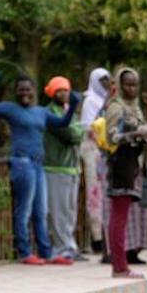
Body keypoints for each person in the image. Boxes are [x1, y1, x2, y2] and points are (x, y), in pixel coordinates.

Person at [0, 71, 80, 265]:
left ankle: (46, 252)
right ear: (16, 92)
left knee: (41, 211)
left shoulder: (41, 112)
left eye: (28, 89)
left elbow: (62, 123)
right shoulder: (11, 109)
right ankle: (24, 252)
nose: (24, 93)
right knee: (24, 209)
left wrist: (73, 105)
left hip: (38, 164)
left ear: (34, 91)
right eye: (21, 90)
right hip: (22, 162)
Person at [104, 68, 147, 278]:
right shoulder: (116, 107)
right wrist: (135, 134)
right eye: (128, 84)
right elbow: (111, 137)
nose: (132, 88)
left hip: (134, 164)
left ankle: (121, 264)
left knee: (124, 217)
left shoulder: (135, 107)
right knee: (118, 217)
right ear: (120, 85)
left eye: (135, 84)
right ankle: (119, 266)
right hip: (121, 163)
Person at [43, 76, 86, 262]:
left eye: (66, 90)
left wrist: (78, 131)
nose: (63, 93)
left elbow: (79, 132)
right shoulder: (49, 112)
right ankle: (61, 247)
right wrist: (78, 131)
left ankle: (70, 245)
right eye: (58, 90)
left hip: (72, 168)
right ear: (51, 92)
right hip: (56, 166)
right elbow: (70, 134)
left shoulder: (69, 111)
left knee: (70, 211)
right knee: (58, 211)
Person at [80, 68, 111, 258]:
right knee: (94, 194)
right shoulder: (91, 101)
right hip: (93, 151)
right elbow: (88, 128)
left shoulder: (108, 101)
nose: (106, 83)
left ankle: (105, 236)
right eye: (103, 80)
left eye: (108, 79)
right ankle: (96, 237)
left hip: (106, 151)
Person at [124, 88, 147, 266]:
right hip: (124, 168)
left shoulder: (139, 112)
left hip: (140, 169)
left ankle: (135, 250)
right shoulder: (117, 108)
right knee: (125, 213)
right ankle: (122, 251)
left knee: (140, 213)